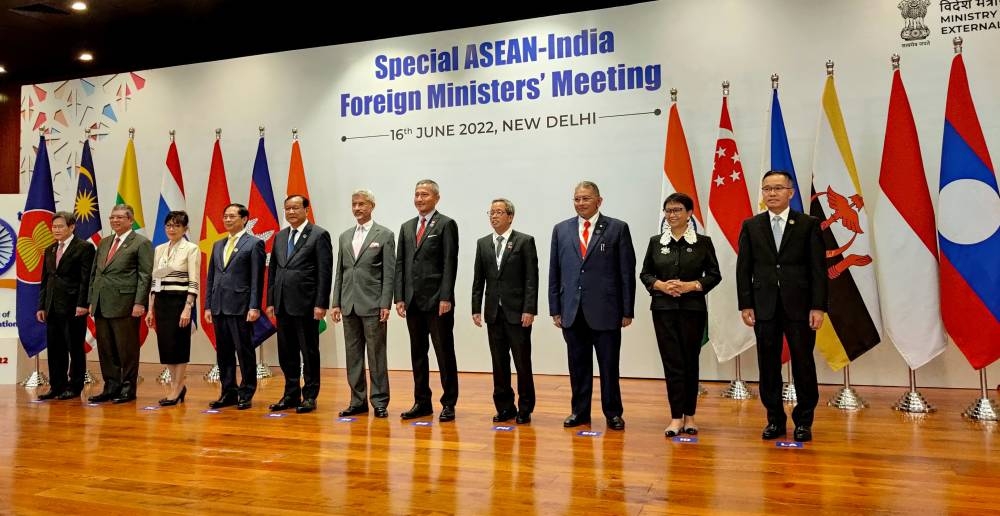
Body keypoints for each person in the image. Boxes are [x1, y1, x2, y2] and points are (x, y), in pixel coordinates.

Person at [736, 170, 827, 443]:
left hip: (800, 307)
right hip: (764, 308)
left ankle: (803, 421)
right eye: (767, 189)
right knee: (768, 365)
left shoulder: (807, 224)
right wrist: (746, 304)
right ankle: (774, 419)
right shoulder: (752, 225)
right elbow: (744, 269)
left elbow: (818, 270)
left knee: (803, 363)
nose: (772, 193)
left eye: (777, 188)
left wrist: (818, 306)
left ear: (791, 192)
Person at [549, 181, 636, 431]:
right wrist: (555, 308)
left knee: (609, 366)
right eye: (576, 199)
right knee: (577, 366)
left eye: (586, 198)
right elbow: (555, 271)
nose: (580, 203)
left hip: (607, 310)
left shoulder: (617, 228)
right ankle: (579, 412)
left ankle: (613, 413)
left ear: (599, 201)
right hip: (572, 311)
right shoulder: (561, 230)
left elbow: (626, 271)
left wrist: (627, 309)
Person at [639, 193, 721, 437]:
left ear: (689, 214)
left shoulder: (703, 242)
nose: (671, 215)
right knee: (672, 363)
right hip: (663, 310)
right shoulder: (656, 242)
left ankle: (690, 417)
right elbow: (645, 274)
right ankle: (675, 417)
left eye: (677, 210)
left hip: (692, 310)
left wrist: (692, 285)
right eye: (668, 210)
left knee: (689, 362)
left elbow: (714, 275)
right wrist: (660, 285)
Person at [394, 179, 460, 422]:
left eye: (424, 195)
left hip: (437, 302)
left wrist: (445, 296)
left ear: (436, 198)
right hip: (412, 302)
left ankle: (449, 403)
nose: (419, 199)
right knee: (418, 354)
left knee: (444, 352)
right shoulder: (407, 227)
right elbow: (400, 263)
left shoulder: (446, 224)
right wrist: (399, 296)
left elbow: (449, 263)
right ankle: (422, 402)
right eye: (416, 194)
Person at [471, 198, 538, 424]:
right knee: (499, 363)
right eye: (491, 212)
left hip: (518, 313)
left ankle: (525, 408)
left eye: (499, 212)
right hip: (493, 313)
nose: (494, 216)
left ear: (510, 216)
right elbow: (478, 279)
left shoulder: (524, 242)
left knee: (522, 362)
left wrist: (530, 309)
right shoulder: (483, 243)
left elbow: (531, 278)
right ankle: (504, 407)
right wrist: (476, 308)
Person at [330, 189, 396, 419]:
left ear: (372, 206)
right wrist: (335, 301)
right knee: (353, 355)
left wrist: (385, 302)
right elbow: (341, 271)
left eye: (362, 204)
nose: (357, 208)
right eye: (354, 204)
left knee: (376, 355)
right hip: (348, 304)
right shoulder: (345, 236)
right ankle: (357, 401)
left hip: (373, 305)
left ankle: (379, 400)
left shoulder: (385, 235)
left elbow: (389, 273)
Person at [266, 195, 333, 414]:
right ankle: (291, 393)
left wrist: (321, 303)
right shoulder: (281, 235)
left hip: (306, 305)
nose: (291, 212)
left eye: (296, 208)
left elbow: (324, 272)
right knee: (287, 352)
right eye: (288, 209)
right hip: (283, 305)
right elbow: (274, 271)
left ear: (306, 209)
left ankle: (310, 395)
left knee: (309, 352)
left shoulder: (318, 235)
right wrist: (270, 301)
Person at [87, 204, 153, 404]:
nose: (115, 220)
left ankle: (127, 388)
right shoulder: (105, 242)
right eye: (112, 217)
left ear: (130, 220)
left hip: (125, 304)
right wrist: (91, 299)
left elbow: (145, 275)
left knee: (127, 349)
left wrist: (140, 302)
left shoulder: (141, 243)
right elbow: (95, 273)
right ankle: (111, 386)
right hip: (101, 303)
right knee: (106, 349)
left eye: (120, 217)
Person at [204, 204, 265, 410]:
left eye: (232, 216)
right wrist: (207, 306)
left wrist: (254, 306)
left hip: (240, 307)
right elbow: (211, 277)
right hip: (219, 306)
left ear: (245, 219)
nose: (227, 220)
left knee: (244, 351)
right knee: (223, 352)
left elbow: (257, 279)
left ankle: (246, 392)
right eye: (225, 216)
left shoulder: (253, 244)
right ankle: (227, 391)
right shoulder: (218, 244)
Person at [35, 211, 95, 401]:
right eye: (54, 226)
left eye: (61, 226)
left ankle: (75, 386)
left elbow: (86, 279)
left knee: (75, 348)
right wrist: (42, 306)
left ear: (72, 227)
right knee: (55, 348)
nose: (56, 230)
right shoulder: (50, 249)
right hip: (52, 306)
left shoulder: (84, 248)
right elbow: (45, 280)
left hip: (73, 307)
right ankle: (56, 386)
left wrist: (83, 304)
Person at [145, 211, 199, 406]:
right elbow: (155, 281)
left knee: (179, 345)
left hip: (180, 302)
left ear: (185, 229)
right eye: (168, 225)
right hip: (161, 303)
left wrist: (188, 308)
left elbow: (194, 281)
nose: (171, 229)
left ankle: (177, 387)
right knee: (166, 345)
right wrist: (150, 309)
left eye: (176, 225)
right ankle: (177, 386)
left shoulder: (191, 248)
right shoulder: (159, 249)